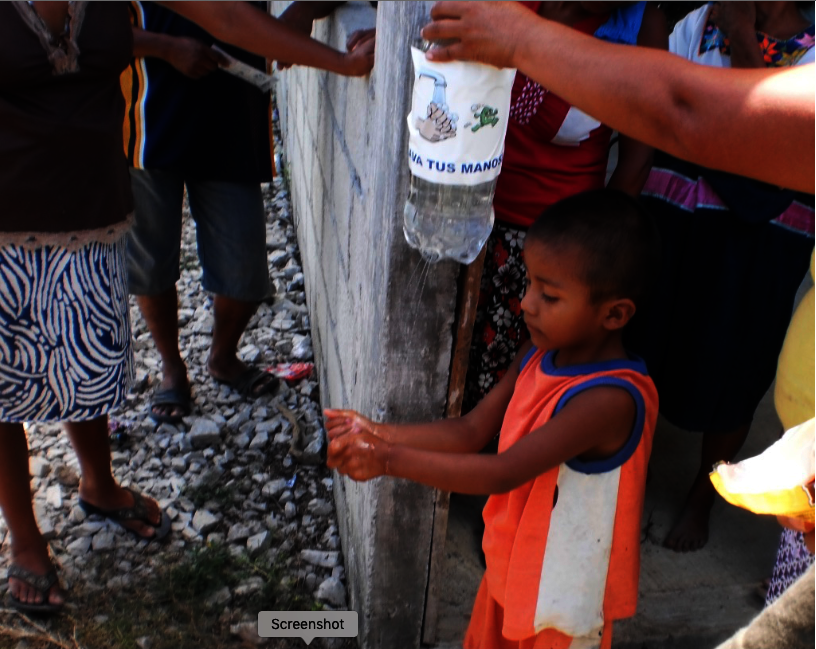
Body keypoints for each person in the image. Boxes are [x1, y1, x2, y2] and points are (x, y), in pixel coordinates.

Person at [0, 0, 372, 613]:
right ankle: (25, 541)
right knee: (5, 388)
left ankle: (99, 484)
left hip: (90, 221)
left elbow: (227, 15)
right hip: (6, 230)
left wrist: (343, 63)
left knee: (84, 373)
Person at [326, 190, 660, 649]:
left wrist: (387, 460)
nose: (526, 304)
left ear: (615, 314)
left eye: (549, 295)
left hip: (564, 605)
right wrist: (377, 431)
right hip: (513, 573)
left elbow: (504, 472)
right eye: (530, 285)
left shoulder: (608, 399)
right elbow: (470, 431)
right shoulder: (537, 355)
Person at [626, 1, 814, 553]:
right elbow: (670, 101)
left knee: (738, 358)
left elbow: (774, 128)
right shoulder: (699, 22)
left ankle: (703, 495)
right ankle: (631, 475)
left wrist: (739, 36)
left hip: (764, 233)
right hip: (679, 210)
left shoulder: (808, 52)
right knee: (649, 340)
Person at [463, 1, 665, 412]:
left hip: (549, 252)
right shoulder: (514, 6)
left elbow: (635, 164)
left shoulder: (640, 26)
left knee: (511, 397)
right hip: (468, 221)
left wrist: (592, 266)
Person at [421, 1, 814, 194]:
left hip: (551, 238)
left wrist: (522, 41)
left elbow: (677, 112)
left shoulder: (642, 27)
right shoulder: (702, 25)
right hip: (467, 207)